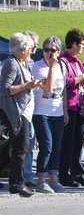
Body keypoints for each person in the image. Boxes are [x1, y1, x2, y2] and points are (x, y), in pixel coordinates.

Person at [0, 33, 43, 196]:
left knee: (21, 147)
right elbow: (4, 89)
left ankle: (17, 183)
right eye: (29, 48)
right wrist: (27, 85)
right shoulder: (11, 64)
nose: (31, 51)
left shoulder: (20, 63)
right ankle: (17, 184)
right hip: (15, 112)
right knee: (20, 148)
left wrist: (32, 85)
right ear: (22, 49)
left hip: (22, 110)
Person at [31, 36, 67, 193]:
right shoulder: (38, 67)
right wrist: (52, 66)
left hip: (57, 112)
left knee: (57, 147)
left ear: (59, 51)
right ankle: (41, 180)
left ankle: (53, 179)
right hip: (41, 112)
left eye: (53, 50)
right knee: (47, 146)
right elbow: (48, 88)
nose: (49, 53)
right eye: (46, 50)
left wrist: (65, 112)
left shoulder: (62, 66)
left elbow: (64, 90)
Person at [59, 28, 84, 187]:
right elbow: (66, 82)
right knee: (68, 142)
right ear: (74, 44)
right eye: (82, 44)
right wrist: (82, 77)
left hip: (79, 107)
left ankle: (77, 173)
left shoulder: (77, 61)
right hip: (69, 106)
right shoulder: (63, 61)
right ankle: (64, 174)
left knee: (79, 141)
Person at [22, 30, 39, 189]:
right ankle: (21, 177)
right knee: (22, 145)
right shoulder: (15, 63)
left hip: (31, 109)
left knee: (29, 142)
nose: (35, 48)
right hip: (20, 110)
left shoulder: (32, 63)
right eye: (33, 44)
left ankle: (26, 176)